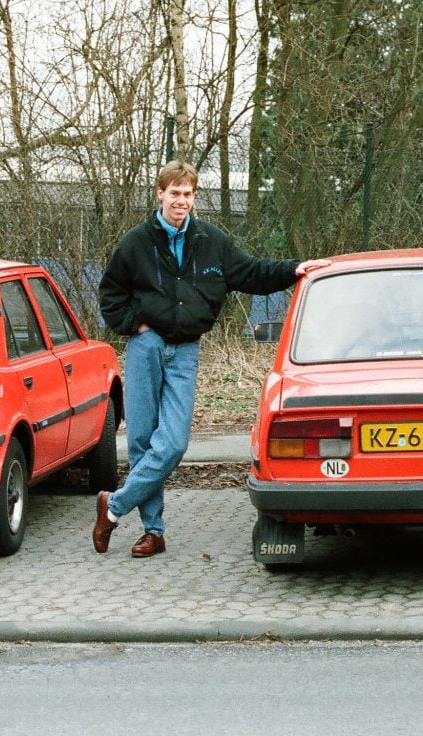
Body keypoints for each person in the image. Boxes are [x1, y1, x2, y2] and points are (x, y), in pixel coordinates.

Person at [92, 160, 330, 557]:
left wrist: (294, 269)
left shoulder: (210, 240)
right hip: (146, 347)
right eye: (174, 193)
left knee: (171, 444)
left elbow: (252, 273)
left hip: (186, 349)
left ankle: (113, 507)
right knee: (140, 440)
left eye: (188, 194)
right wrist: (137, 326)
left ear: (193, 197)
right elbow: (110, 294)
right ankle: (153, 530)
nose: (181, 201)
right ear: (160, 194)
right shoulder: (136, 242)